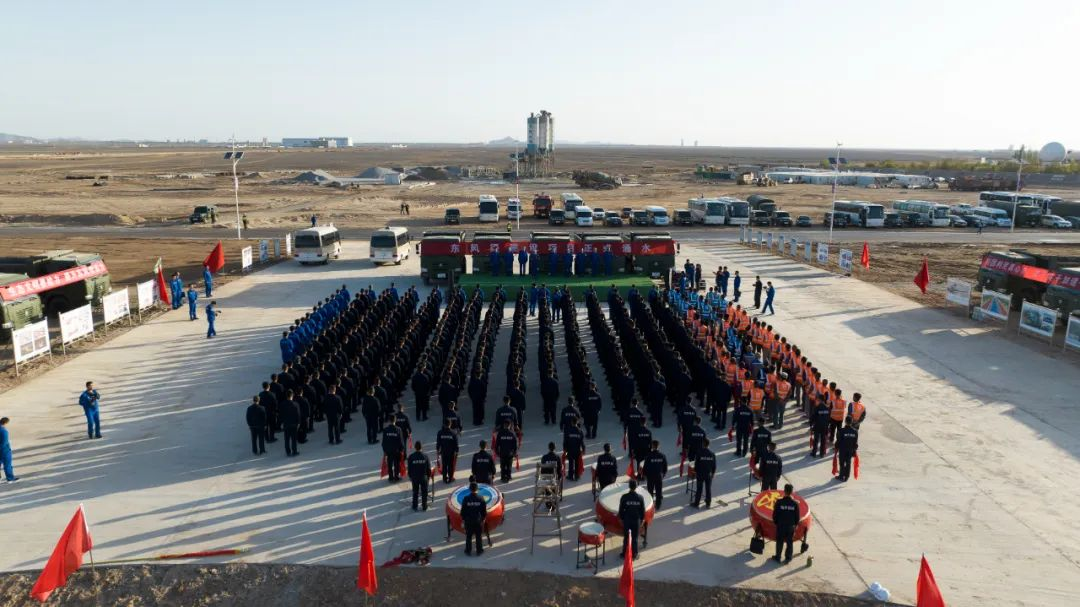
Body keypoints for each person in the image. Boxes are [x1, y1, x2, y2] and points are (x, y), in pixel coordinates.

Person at [617, 479, 646, 560]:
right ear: (636, 487)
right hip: (636, 520)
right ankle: (634, 554)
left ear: (629, 486)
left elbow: (621, 510)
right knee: (635, 538)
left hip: (627, 520)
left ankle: (624, 554)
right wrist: (642, 519)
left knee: (626, 537)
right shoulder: (640, 498)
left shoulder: (624, 497)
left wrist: (622, 518)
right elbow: (642, 510)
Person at [772, 483, 800, 564]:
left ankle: (778, 557)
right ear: (791, 492)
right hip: (790, 526)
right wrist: (795, 525)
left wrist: (776, 522)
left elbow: (775, 515)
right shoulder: (795, 504)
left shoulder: (779, 502)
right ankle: (788, 558)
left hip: (781, 525)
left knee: (779, 541)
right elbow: (797, 517)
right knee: (789, 542)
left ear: (784, 491)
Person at [460, 481, 488, 556]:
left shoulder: (466, 498)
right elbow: (484, 511)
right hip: (478, 520)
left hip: (468, 521)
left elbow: (463, 511)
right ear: (477, 489)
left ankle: (468, 550)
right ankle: (479, 550)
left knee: (468, 536)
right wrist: (483, 519)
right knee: (478, 536)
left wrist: (463, 519)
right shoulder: (481, 498)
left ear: (469, 489)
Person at [641, 440, 668, 510]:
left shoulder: (649, 456)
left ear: (652, 446)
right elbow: (665, 467)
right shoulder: (662, 456)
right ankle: (658, 505)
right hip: (659, 476)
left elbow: (645, 467)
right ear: (658, 446)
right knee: (659, 491)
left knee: (650, 491)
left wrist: (644, 475)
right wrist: (663, 474)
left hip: (650, 477)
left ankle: (651, 505)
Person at [691, 438, 716, 508]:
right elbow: (714, 465)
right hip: (708, 474)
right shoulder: (712, 454)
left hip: (700, 473)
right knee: (708, 489)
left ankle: (696, 503)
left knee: (699, 488)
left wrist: (695, 472)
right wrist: (713, 473)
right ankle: (708, 503)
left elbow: (696, 464)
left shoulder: (699, 453)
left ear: (703, 444)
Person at [407, 441, 432, 511]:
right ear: (421, 447)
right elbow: (428, 469)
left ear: (415, 447)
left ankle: (415, 506)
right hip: (423, 477)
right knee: (424, 492)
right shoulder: (425, 456)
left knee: (415, 492)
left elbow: (409, 469)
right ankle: (424, 506)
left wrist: (410, 476)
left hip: (415, 477)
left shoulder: (411, 457)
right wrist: (428, 477)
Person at [436, 418, 459, 483]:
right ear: (450, 424)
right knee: (450, 465)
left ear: (443, 424)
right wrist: (457, 451)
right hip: (451, 453)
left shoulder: (440, 433)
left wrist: (437, 451)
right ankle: (450, 478)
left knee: (444, 465)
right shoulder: (453, 433)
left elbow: (438, 443)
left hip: (443, 452)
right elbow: (456, 444)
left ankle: (444, 478)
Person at [280, 390, 301, 457]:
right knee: (294, 439)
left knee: (286, 439)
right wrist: (298, 422)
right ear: (292, 396)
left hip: (286, 423)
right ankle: (294, 451)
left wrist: (281, 422)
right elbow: (298, 414)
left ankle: (288, 451)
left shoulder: (282, 404)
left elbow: (281, 414)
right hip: (294, 424)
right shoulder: (296, 404)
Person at [1, 417, 17, 483]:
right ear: (6, 423)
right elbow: (4, 443)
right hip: (4, 451)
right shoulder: (4, 431)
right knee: (7, 465)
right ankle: (10, 479)